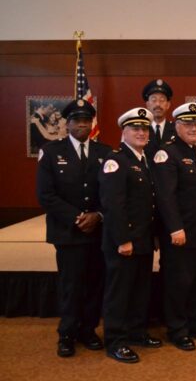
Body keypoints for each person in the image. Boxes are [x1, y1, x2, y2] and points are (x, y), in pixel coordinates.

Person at [36, 99, 111, 357]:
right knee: (71, 285)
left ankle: (88, 330)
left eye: (86, 120)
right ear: (67, 124)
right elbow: (46, 195)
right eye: (77, 120)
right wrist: (79, 217)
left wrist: (98, 215)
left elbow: (111, 192)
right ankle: (66, 333)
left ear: (91, 124)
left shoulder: (105, 151)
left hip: (98, 232)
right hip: (68, 232)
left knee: (94, 283)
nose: (82, 124)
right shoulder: (51, 151)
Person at [152, 102, 196, 351]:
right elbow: (165, 196)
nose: (193, 128)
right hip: (182, 233)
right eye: (188, 124)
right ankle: (178, 329)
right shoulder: (167, 153)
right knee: (179, 283)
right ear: (176, 125)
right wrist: (175, 228)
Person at [99, 107, 162, 363]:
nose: (141, 132)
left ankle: (136, 332)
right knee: (120, 293)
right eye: (135, 128)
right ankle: (115, 340)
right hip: (124, 242)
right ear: (123, 132)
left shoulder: (143, 159)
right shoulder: (116, 160)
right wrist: (123, 239)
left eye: (144, 128)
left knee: (139, 291)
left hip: (143, 241)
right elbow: (113, 205)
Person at [142, 79, 175, 159]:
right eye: (154, 100)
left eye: (162, 100)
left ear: (168, 105)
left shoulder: (176, 129)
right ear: (147, 104)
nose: (158, 104)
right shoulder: (140, 129)